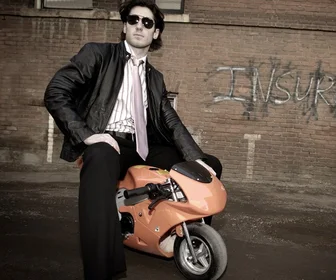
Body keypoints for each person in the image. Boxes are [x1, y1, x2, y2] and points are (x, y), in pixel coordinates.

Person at [43, 1, 222, 279]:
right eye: (133, 19)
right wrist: (88, 135)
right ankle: (103, 270)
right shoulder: (98, 55)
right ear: (124, 26)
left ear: (156, 33)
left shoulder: (155, 78)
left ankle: (183, 236)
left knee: (208, 168)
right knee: (100, 157)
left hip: (143, 145)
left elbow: (171, 121)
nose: (139, 25)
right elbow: (56, 92)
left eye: (147, 22)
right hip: (108, 141)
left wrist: (194, 156)